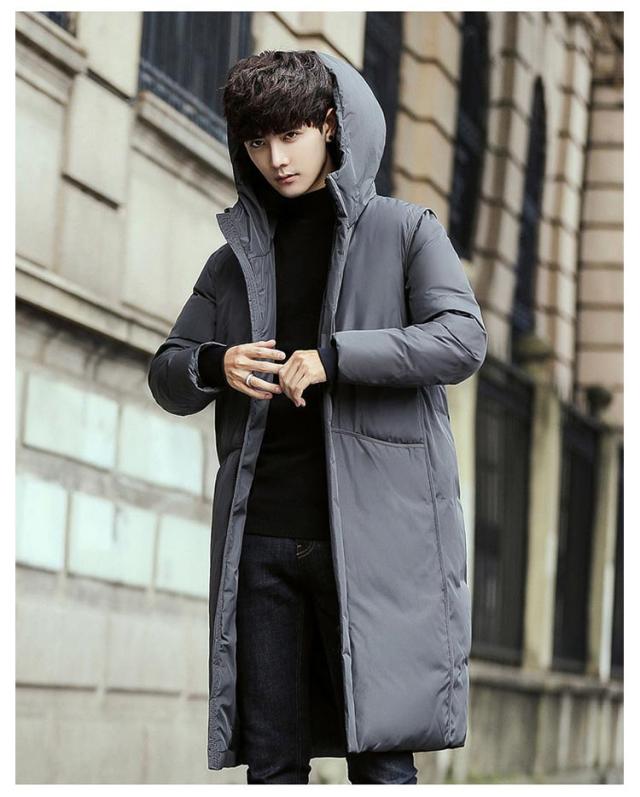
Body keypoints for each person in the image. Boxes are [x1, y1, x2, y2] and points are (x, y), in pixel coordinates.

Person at [148, 49, 487, 785]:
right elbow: (167, 372)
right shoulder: (233, 261)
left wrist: (338, 356)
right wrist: (216, 363)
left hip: (369, 542)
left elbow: (463, 339)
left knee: (382, 759)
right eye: (257, 142)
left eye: (291, 136)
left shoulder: (405, 231)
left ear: (330, 125)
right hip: (262, 540)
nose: (276, 159)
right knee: (272, 766)